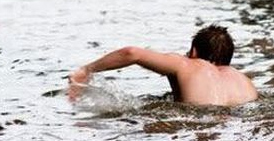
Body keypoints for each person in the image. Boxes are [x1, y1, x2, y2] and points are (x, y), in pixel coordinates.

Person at [68, 25, 258, 106]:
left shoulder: (187, 65)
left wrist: (86, 70)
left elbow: (131, 53)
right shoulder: (243, 80)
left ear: (193, 52)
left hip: (198, 128)